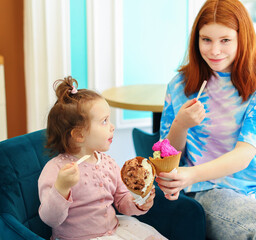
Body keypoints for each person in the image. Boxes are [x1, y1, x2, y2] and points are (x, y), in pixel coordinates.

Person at [155, 0, 256, 239]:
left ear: (243, 39)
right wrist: (181, 124)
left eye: (225, 40)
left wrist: (190, 174)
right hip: (207, 188)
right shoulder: (180, 86)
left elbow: (244, 154)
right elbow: (166, 157)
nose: (214, 50)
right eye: (206, 39)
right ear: (196, 39)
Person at [38, 76, 166, 240]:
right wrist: (62, 188)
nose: (112, 126)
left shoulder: (108, 163)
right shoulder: (56, 169)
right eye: (104, 121)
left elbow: (122, 201)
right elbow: (50, 219)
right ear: (79, 134)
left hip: (114, 230)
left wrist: (138, 202)